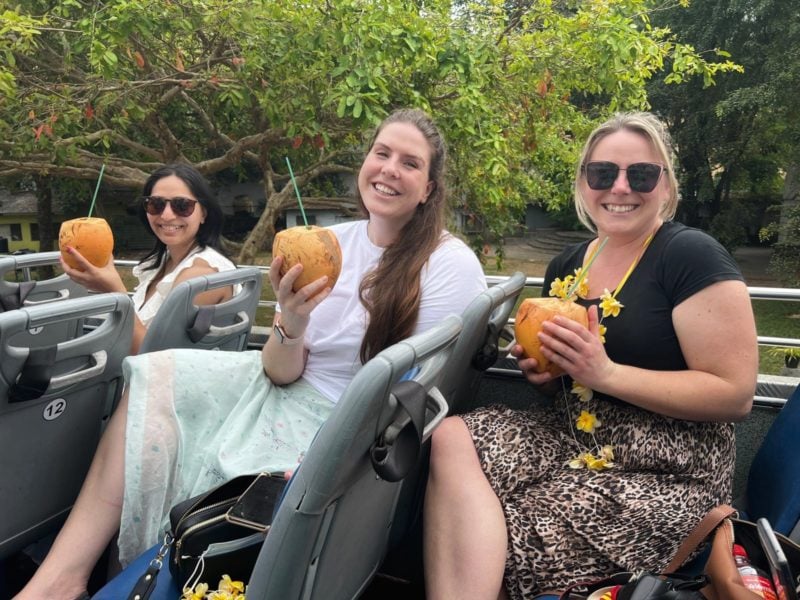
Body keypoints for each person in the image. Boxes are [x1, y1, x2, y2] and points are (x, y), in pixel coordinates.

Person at [16, 108, 487, 600]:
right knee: (156, 374)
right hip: (284, 388)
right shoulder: (331, 242)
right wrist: (293, 319)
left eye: (410, 163)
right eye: (381, 153)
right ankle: (61, 577)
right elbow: (281, 371)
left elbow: (413, 391)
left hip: (345, 423)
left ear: (429, 187)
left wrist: (325, 453)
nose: (389, 169)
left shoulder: (447, 264)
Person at [423, 111, 759, 599]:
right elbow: (566, 381)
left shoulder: (691, 255)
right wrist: (545, 372)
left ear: (665, 187)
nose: (620, 188)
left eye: (641, 174)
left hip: (670, 467)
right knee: (451, 434)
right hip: (574, 435)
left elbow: (735, 394)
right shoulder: (567, 265)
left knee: (515, 519)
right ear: (584, 183)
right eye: (603, 173)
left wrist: (605, 372)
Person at [60, 164, 236, 354]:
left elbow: (154, 358)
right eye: (156, 204)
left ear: (204, 213)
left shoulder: (201, 276)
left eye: (182, 205)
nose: (167, 215)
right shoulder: (166, 262)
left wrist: (115, 293)